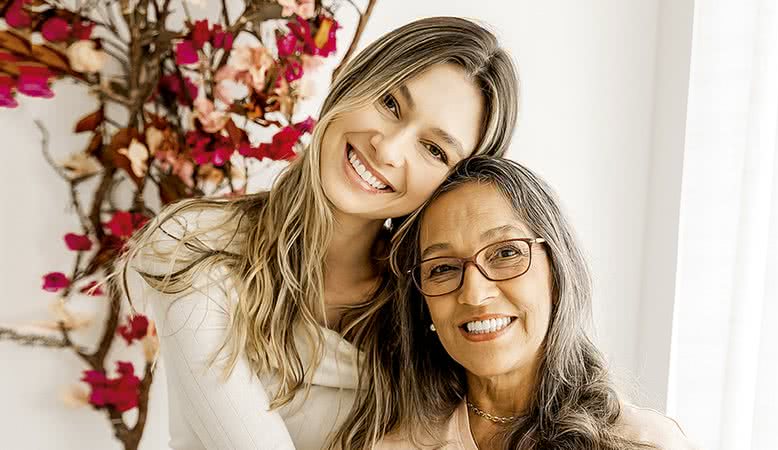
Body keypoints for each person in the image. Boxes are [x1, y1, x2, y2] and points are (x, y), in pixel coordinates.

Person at [118, 17, 519, 450]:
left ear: (453, 184)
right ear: (352, 80)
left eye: (434, 149)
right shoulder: (197, 244)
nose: (387, 148)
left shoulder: (431, 307)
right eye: (389, 102)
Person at [374, 156, 699, 450]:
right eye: (442, 268)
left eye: (506, 252)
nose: (474, 294)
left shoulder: (645, 443)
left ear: (556, 271)